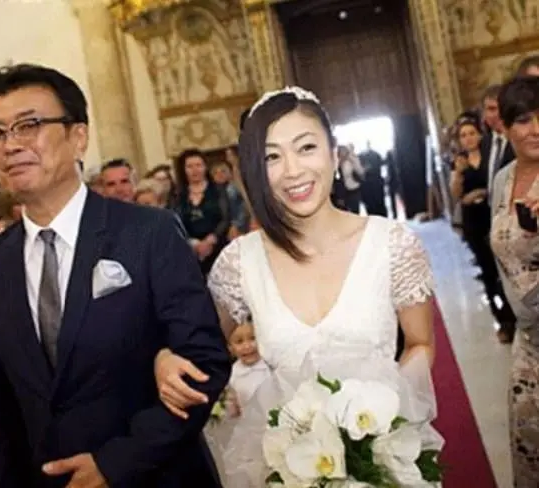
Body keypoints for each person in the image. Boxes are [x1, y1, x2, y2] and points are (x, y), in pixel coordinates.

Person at [154, 86, 441, 484]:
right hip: (288, 468)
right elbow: (200, 347)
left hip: (377, 462)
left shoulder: (393, 244)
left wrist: (383, 425)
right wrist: (164, 356)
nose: (292, 170)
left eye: (306, 147)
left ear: (333, 152)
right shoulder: (240, 262)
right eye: (272, 157)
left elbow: (419, 343)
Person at [0, 63, 231, 488]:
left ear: (78, 136)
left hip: (154, 476)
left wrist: (115, 463)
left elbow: (203, 361)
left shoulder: (149, 232)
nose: (10, 145)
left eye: (28, 125)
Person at [490, 76, 539, 487]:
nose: (536, 129)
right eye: (523, 120)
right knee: (528, 447)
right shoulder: (502, 180)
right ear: (505, 128)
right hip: (528, 339)